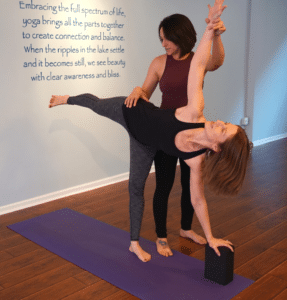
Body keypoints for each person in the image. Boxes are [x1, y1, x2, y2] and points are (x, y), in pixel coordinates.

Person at [49, 0, 251, 262]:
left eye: (223, 129)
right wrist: (210, 26)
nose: (219, 122)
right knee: (95, 104)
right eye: (225, 122)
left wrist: (211, 237)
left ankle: (136, 242)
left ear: (216, 147)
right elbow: (199, 64)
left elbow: (198, 200)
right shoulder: (194, 110)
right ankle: (67, 98)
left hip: (144, 142)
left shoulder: (196, 159)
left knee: (136, 187)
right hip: (133, 112)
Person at [124, 10, 226, 257]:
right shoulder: (159, 62)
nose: (164, 44)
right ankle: (161, 237)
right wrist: (139, 89)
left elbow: (218, 61)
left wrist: (217, 34)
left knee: (190, 183)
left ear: (180, 35)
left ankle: (186, 229)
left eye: (167, 39)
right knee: (164, 185)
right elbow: (146, 93)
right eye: (161, 39)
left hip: (193, 133)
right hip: (165, 133)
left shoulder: (197, 60)